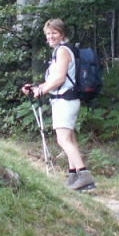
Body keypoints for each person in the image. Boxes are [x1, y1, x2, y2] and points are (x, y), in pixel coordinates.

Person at [21, 19, 96, 192]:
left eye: (54, 33)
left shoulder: (62, 50)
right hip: (65, 99)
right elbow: (54, 80)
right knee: (69, 139)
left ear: (62, 34)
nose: (50, 36)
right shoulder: (59, 51)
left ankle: (84, 176)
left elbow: (59, 79)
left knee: (63, 139)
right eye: (48, 34)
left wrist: (41, 91)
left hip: (65, 100)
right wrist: (37, 88)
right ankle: (73, 175)